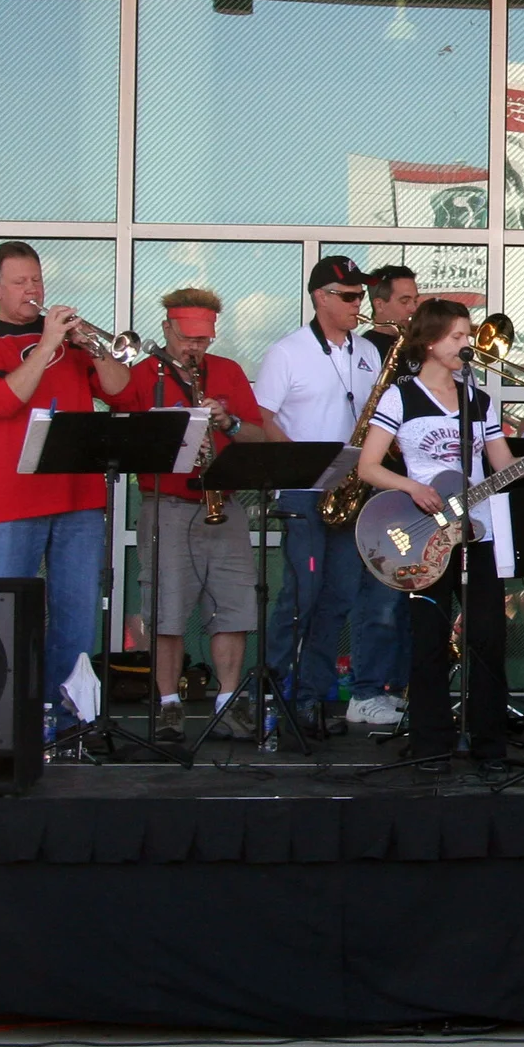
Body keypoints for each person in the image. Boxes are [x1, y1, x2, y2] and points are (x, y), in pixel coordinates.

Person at [357, 300, 524, 771]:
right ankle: (431, 744)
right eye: (456, 336)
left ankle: (489, 743)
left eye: (467, 336)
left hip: (479, 531)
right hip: (424, 533)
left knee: (488, 636)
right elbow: (368, 466)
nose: (465, 344)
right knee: (429, 637)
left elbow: (503, 466)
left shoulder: (479, 400)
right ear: (430, 341)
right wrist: (412, 487)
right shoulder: (401, 397)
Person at [0, 241, 134, 731]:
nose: (32, 289)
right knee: (5, 616)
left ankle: (68, 723)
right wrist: (48, 344)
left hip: (79, 499)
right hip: (12, 502)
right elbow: (1, 401)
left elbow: (120, 392)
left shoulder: (71, 345)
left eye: (36, 279)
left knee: (76, 619)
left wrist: (94, 348)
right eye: (20, 282)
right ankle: (2, 724)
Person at [123, 288, 286, 743]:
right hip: (167, 504)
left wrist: (228, 423)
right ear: (166, 329)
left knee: (234, 607)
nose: (195, 348)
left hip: (224, 505)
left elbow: (259, 436)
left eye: (204, 339)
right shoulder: (144, 375)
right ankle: (168, 706)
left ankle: (228, 703)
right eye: (187, 338)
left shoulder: (228, 371)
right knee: (166, 610)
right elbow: (122, 424)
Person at [254, 255, 384, 741]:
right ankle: (271, 692)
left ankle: (312, 697)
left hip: (351, 493)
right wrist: (304, 467)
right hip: (304, 492)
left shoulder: (367, 352)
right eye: (349, 296)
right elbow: (263, 418)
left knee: (338, 600)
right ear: (320, 297)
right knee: (300, 597)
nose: (358, 304)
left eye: (360, 296)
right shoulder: (287, 352)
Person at [343, 262, 424, 733]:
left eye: (416, 300)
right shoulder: (366, 349)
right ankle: (366, 691)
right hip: (378, 486)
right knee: (379, 599)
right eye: (405, 300)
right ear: (380, 304)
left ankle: (398, 689)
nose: (414, 308)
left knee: (407, 597)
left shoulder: (417, 351)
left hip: (417, 489)